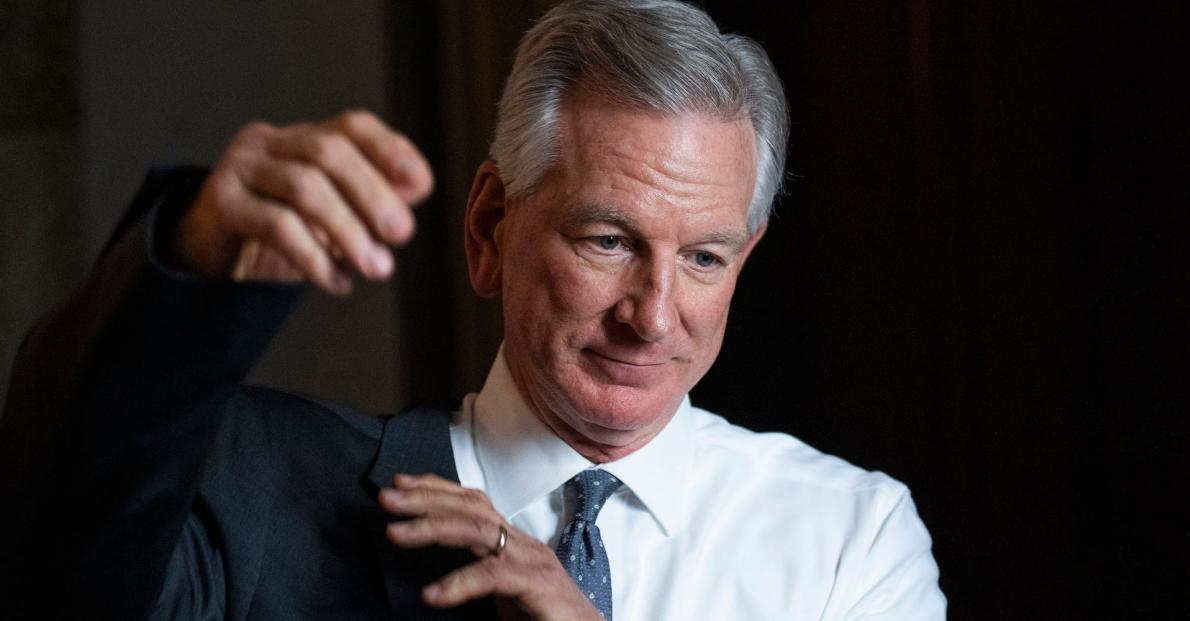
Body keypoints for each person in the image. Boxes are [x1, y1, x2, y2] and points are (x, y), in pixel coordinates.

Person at [0, 0, 945, 619]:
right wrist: (185, 264)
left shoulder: (850, 538)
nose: (655, 316)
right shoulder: (262, 489)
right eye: (607, 241)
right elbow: (58, 536)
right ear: (492, 225)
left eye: (702, 257)